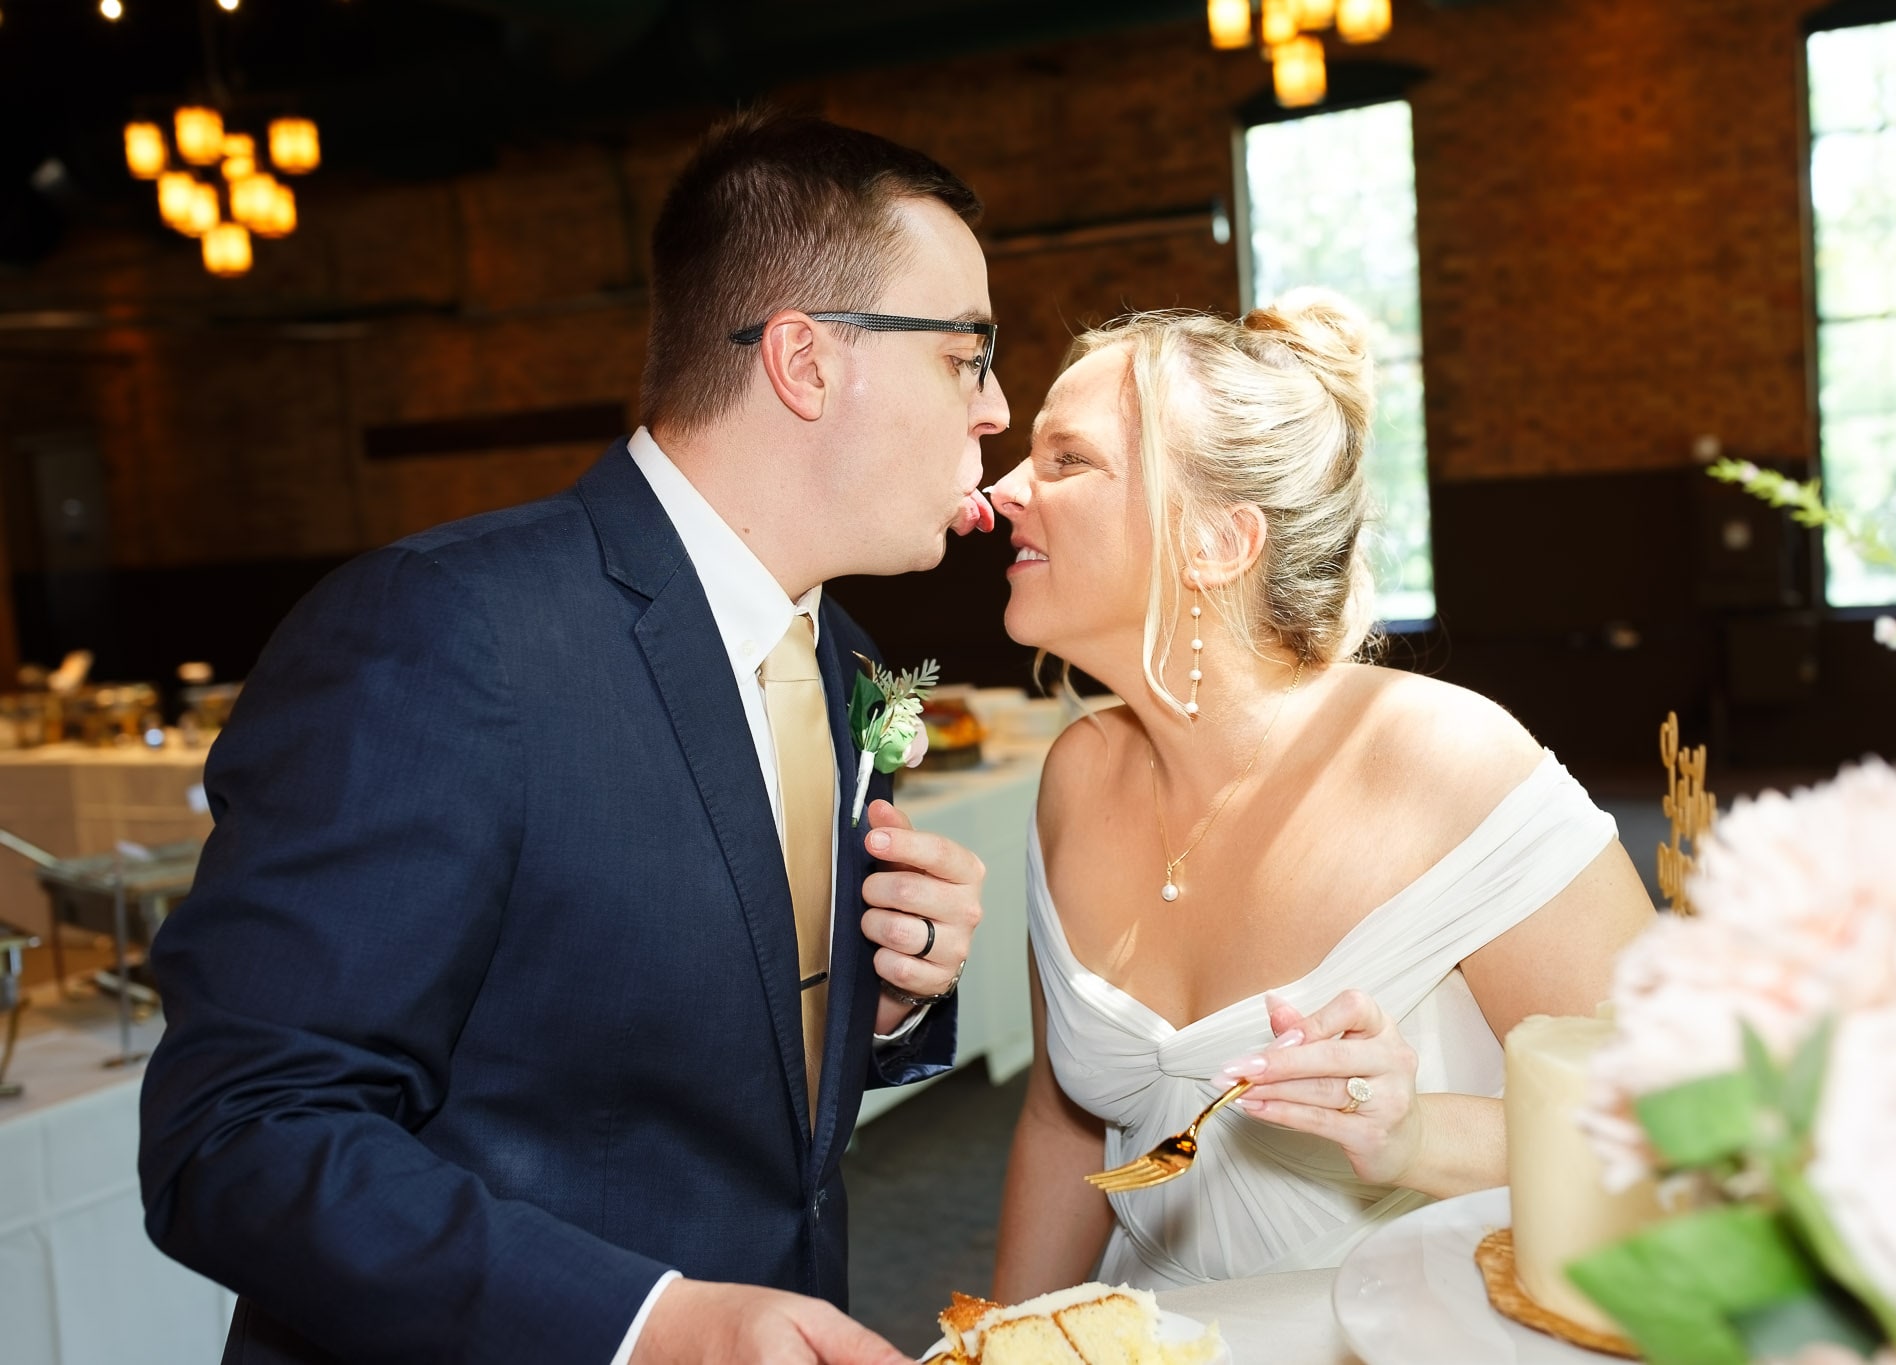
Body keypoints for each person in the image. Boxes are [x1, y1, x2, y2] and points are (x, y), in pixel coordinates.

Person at [139, 111, 1010, 1365]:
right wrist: (642, 1325)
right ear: (807, 361)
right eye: (966, 355)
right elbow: (240, 1134)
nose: (992, 409)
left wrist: (880, 1000)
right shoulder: (443, 631)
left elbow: (702, 1070)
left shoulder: (839, 657)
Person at [985, 294, 1655, 1296]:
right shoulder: (1076, 776)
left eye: (1065, 459)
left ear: (1217, 542)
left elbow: (1666, 1119)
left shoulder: (1445, 761)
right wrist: (1003, 1339)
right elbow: (1062, 1118)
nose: (1002, 488)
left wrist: (1415, 1132)